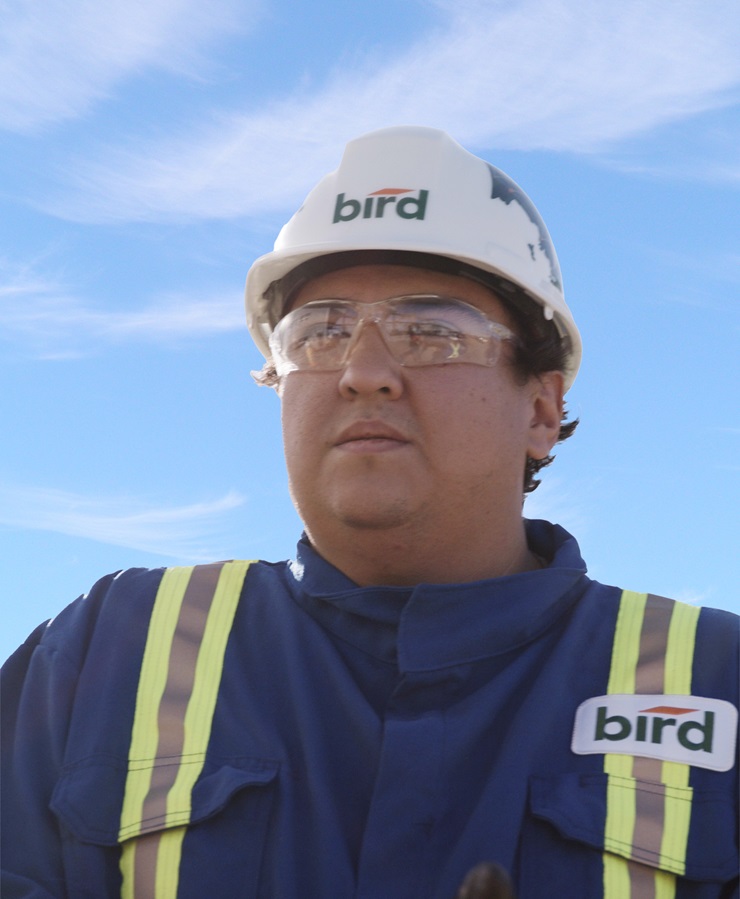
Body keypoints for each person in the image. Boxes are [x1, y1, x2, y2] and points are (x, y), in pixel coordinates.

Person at [2, 126, 737, 899]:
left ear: (544, 409)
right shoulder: (104, 654)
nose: (363, 371)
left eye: (432, 331)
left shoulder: (717, 681)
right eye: (320, 332)